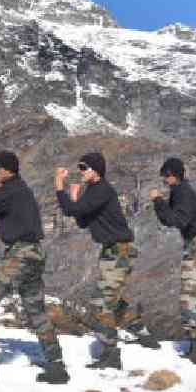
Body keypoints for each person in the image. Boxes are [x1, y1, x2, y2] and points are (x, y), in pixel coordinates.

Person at [0, 151, 69, 384]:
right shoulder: (17, 190)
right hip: (32, 254)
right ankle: (57, 367)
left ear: (6, 170)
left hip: (22, 254)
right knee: (35, 310)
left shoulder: (12, 189)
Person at [55, 153, 158, 371]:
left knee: (103, 302)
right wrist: (73, 198)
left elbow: (74, 211)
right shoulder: (94, 191)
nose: (81, 171)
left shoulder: (102, 190)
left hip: (119, 251)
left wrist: (59, 185)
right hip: (111, 251)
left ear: (96, 170)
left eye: (84, 167)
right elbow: (82, 220)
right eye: (80, 167)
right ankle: (143, 333)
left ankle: (111, 354)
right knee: (112, 299)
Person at [150, 157, 196, 364]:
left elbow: (175, 220)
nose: (164, 180)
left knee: (190, 297)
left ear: (174, 174)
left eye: (166, 175)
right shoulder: (185, 191)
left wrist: (157, 201)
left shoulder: (181, 192)